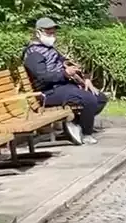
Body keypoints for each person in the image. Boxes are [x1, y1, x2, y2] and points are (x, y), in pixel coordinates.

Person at [22, 17, 109, 145]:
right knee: (88, 99)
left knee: (100, 97)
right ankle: (86, 134)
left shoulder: (50, 49)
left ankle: (76, 124)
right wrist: (64, 74)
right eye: (48, 32)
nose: (52, 35)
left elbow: (68, 64)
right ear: (38, 33)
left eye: (53, 32)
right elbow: (42, 77)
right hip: (48, 92)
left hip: (63, 86)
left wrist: (85, 80)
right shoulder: (33, 54)